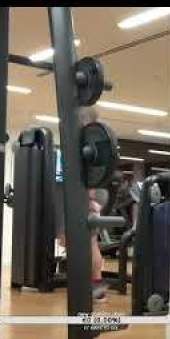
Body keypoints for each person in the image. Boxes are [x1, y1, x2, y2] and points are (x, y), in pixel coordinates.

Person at [58, 105, 110, 303]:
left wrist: (90, 199)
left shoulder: (89, 140)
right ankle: (88, 285)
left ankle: (97, 289)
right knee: (81, 242)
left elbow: (92, 172)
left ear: (84, 120)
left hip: (91, 192)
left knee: (89, 242)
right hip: (92, 192)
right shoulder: (96, 138)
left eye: (78, 120)